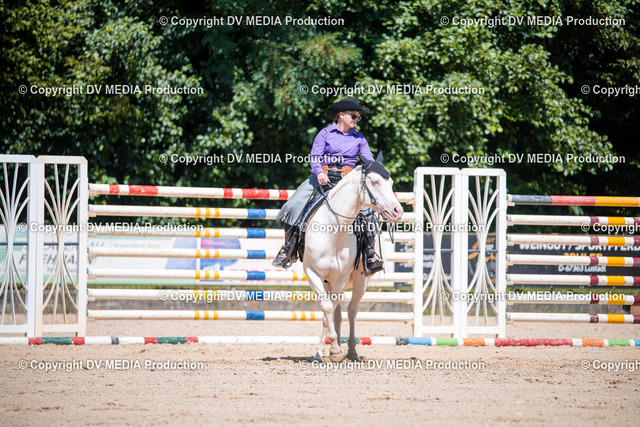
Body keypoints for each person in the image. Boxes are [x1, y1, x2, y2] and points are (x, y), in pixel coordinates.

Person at [272, 97, 384, 275]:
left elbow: (368, 161)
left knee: (368, 213)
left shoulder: (359, 138)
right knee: (293, 205)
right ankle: (288, 249)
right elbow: (314, 156)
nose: (356, 120)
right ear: (341, 115)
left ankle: (369, 254)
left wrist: (376, 169)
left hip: (347, 181)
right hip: (321, 177)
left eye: (358, 117)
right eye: (353, 116)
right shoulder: (324, 133)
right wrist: (319, 172)